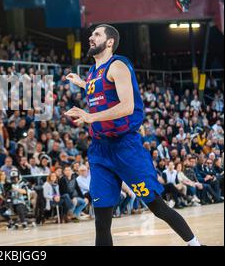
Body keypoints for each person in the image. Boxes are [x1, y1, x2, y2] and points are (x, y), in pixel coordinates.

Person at [65, 24, 201, 246]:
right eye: (91, 34)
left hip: (125, 148)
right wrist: (82, 84)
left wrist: (90, 117)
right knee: (101, 220)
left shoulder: (118, 65)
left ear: (109, 42)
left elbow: (127, 106)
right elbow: (98, 88)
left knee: (157, 207)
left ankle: (195, 244)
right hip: (100, 150)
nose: (91, 37)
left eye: (96, 34)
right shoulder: (92, 73)